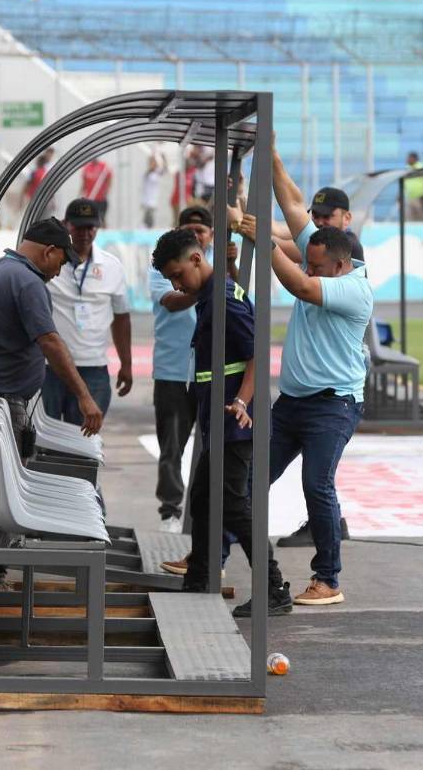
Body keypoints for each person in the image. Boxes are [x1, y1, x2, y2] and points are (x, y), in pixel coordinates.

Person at [237, 143, 371, 606]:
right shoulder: (324, 255)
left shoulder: (353, 288)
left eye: (316, 266)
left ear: (339, 264)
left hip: (333, 405)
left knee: (317, 484)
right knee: (248, 479)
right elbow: (293, 202)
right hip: (292, 403)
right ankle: (210, 559)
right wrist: (270, 153)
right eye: (307, 261)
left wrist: (266, 244)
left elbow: (295, 282)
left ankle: (328, 579)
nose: (308, 269)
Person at [151, 229, 292, 618]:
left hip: (236, 421)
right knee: (202, 498)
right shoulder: (210, 297)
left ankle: (274, 588)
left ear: (197, 259)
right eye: (172, 280)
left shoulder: (225, 301)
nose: (178, 285)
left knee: (233, 506)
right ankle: (200, 578)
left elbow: (256, 356)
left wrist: (241, 401)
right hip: (221, 422)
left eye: (179, 274)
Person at [0, 217, 105, 587]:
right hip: (4, 395)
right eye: (61, 262)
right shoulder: (27, 280)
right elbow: (49, 341)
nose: (59, 271)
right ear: (48, 251)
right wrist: (85, 397)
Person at [148, 206, 236, 533]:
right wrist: (203, 287)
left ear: (210, 236)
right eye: (190, 229)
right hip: (172, 370)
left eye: (202, 230)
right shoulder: (169, 263)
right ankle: (170, 511)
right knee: (172, 446)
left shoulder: (215, 267)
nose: (197, 234)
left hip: (209, 371)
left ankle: (204, 513)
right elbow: (170, 300)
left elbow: (237, 298)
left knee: (213, 446)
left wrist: (229, 266)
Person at [41, 198, 132, 425]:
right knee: (43, 441)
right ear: (65, 224)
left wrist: (126, 364)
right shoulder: (47, 262)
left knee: (84, 444)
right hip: (50, 367)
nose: (85, 233)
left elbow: (121, 318)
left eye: (90, 227)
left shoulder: (112, 266)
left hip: (93, 369)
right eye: (78, 227)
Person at [22, 148, 56, 217]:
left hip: (35, 200)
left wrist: (23, 198)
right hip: (42, 200)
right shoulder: (43, 172)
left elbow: (26, 186)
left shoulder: (35, 172)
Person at [81, 158, 113, 225]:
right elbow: (83, 184)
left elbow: (109, 180)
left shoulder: (104, 166)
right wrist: (82, 195)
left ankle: (104, 233)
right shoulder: (86, 168)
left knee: (101, 219)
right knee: (88, 219)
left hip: (101, 199)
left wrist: (106, 192)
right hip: (89, 199)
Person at [141, 148, 167, 228]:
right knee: (147, 220)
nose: (151, 163)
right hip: (147, 201)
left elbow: (162, 168)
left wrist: (158, 154)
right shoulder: (148, 173)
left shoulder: (156, 174)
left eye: (153, 162)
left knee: (149, 220)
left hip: (152, 201)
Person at [404, 152, 423, 221]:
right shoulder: (407, 168)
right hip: (410, 197)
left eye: (409, 158)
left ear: (414, 159)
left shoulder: (421, 167)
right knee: (410, 218)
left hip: (421, 198)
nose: (407, 160)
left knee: (422, 217)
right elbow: (404, 183)